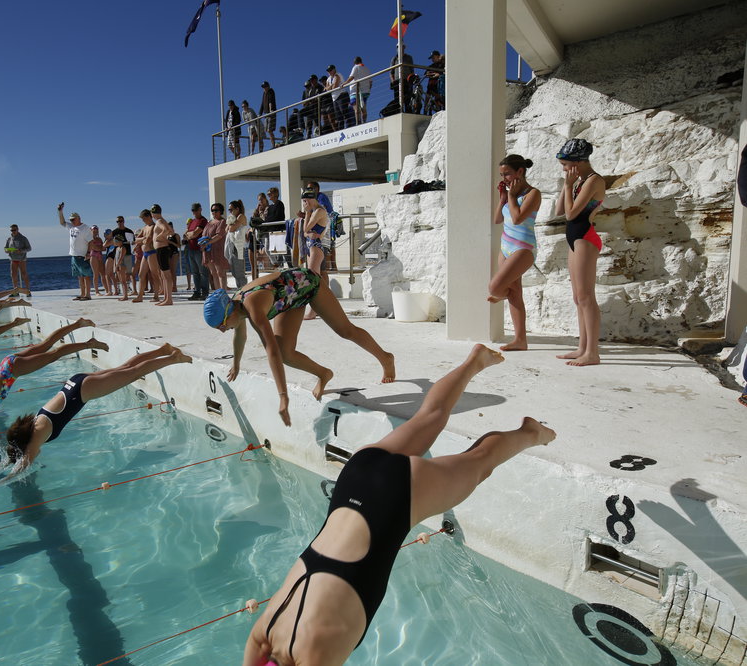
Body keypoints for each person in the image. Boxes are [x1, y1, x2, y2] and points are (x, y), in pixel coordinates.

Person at [242, 345, 556, 666]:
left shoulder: (313, 656)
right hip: (357, 477)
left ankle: (530, 433)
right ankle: (474, 361)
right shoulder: (265, 631)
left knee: (480, 463)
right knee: (430, 417)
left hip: (396, 496)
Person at [203, 267, 395, 425]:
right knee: (286, 353)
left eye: (221, 325)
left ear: (230, 313)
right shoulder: (236, 307)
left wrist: (283, 396)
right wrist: (236, 364)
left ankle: (385, 358)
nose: (222, 330)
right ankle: (323, 373)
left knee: (345, 330)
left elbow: (271, 352)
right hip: (289, 299)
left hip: (306, 283)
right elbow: (240, 335)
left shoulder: (252, 306)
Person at [3, 343, 193, 467]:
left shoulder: (38, 434)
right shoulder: (34, 424)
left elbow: (26, 460)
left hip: (83, 391)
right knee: (124, 369)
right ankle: (163, 350)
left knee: (133, 373)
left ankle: (173, 358)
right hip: (76, 382)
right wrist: (0, 465)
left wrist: (3, 482)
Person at [0, 318, 101, 415]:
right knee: (46, 345)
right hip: (7, 364)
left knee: (54, 355)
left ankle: (89, 344)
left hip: (12, 370)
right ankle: (78, 324)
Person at [554, 138, 605, 367]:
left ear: (578, 162)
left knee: (586, 297)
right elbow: (558, 210)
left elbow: (572, 215)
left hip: (585, 237)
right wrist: (566, 185)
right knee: (578, 298)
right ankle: (582, 348)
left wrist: (568, 187)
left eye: (565, 164)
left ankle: (592, 353)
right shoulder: (578, 182)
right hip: (575, 239)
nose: (564, 169)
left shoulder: (594, 181)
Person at [487, 155, 542, 352]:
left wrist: (511, 196)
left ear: (520, 172)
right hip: (506, 247)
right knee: (515, 293)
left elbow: (518, 218)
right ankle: (520, 340)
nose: (505, 179)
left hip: (523, 248)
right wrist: (503, 197)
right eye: (502, 175)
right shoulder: (510, 194)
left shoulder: (533, 194)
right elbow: (496, 220)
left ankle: (501, 295)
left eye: (508, 174)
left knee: (495, 288)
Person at [300, 189, 329, 321]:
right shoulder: (314, 212)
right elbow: (305, 233)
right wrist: (307, 231)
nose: (305, 204)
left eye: (305, 201)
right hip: (311, 247)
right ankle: (319, 308)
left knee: (312, 280)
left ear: (311, 199)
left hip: (316, 248)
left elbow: (305, 229)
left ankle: (313, 311)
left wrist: (306, 212)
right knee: (315, 280)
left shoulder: (319, 211)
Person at [57, 203, 93, 301]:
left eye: (73, 219)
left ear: (79, 218)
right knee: (79, 276)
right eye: (71, 220)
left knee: (86, 275)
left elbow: (91, 241)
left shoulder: (85, 228)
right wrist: (60, 212)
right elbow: (62, 222)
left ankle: (88, 294)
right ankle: (82, 294)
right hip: (74, 255)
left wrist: (89, 253)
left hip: (82, 255)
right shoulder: (71, 227)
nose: (72, 221)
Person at [133, 209, 162, 303]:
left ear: (149, 217)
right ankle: (140, 296)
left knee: (154, 274)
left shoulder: (153, 227)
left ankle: (156, 295)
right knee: (141, 274)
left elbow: (148, 240)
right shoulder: (145, 227)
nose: (143, 220)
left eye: (144, 218)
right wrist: (142, 239)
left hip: (152, 252)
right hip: (145, 253)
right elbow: (136, 239)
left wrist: (142, 240)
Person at [150, 204, 175, 306]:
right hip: (162, 249)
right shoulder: (162, 220)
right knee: (164, 275)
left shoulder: (160, 221)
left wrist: (158, 237)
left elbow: (166, 230)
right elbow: (171, 231)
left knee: (166, 275)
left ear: (152, 213)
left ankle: (169, 299)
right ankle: (166, 298)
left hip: (162, 249)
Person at [185, 203, 211, 300]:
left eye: (196, 210)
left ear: (200, 209)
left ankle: (204, 292)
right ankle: (197, 292)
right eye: (193, 210)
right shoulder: (192, 221)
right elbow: (186, 234)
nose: (194, 212)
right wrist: (190, 234)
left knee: (203, 272)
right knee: (195, 272)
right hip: (191, 249)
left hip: (199, 250)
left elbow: (195, 234)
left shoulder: (203, 221)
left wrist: (190, 234)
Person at [202, 203, 230, 290]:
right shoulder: (209, 222)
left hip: (218, 250)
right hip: (208, 250)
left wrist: (207, 242)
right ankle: (218, 293)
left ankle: (223, 293)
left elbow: (219, 235)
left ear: (221, 211)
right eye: (212, 210)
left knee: (220, 273)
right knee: (213, 273)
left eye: (216, 210)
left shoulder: (222, 222)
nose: (214, 212)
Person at [110, 216, 136, 301]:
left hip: (126, 255)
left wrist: (117, 265)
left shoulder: (128, 231)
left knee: (126, 275)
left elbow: (133, 242)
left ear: (123, 221)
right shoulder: (115, 232)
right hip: (118, 256)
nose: (119, 222)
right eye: (118, 221)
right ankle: (124, 293)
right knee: (121, 278)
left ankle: (126, 293)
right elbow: (109, 241)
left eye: (121, 221)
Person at [225, 200, 249, 288]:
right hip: (232, 246)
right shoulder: (233, 218)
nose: (230, 212)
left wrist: (230, 223)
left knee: (239, 272)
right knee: (234, 272)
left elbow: (230, 228)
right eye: (229, 210)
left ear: (237, 209)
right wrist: (231, 221)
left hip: (238, 247)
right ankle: (240, 290)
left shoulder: (241, 216)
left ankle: (243, 291)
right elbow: (226, 229)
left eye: (231, 210)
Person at [343, 56, 372, 125]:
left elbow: (352, 77)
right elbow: (370, 82)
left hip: (355, 91)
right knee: (363, 107)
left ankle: (358, 123)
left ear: (355, 62)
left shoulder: (355, 67)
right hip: (365, 91)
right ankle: (364, 122)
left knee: (356, 109)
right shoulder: (367, 69)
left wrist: (344, 83)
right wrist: (368, 89)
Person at [4, 225, 32, 294]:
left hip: (21, 259)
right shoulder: (9, 239)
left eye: (14, 230)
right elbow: (5, 248)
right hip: (13, 259)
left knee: (24, 274)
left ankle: (28, 291)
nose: (13, 232)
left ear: (17, 229)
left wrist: (21, 251)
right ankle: (15, 292)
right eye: (11, 230)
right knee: (13, 275)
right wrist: (7, 250)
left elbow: (29, 248)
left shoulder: (23, 238)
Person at [325, 65, 346, 131]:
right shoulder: (328, 79)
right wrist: (331, 86)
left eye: (330, 70)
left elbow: (335, 86)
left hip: (341, 95)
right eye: (328, 71)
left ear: (334, 69)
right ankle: (341, 129)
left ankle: (349, 126)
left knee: (344, 112)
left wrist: (330, 86)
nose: (329, 72)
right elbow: (326, 89)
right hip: (334, 98)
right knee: (338, 115)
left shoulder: (338, 75)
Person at [87, 226, 107, 296]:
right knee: (96, 274)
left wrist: (100, 248)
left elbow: (103, 248)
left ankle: (107, 289)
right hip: (93, 256)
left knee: (103, 273)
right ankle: (97, 291)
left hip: (100, 256)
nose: (95, 232)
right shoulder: (89, 239)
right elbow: (95, 248)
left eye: (96, 231)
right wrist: (100, 248)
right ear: (91, 231)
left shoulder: (99, 239)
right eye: (94, 231)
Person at [102, 228, 119, 296]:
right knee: (111, 274)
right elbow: (103, 248)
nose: (105, 236)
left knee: (107, 274)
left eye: (106, 234)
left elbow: (104, 245)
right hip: (109, 256)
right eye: (104, 234)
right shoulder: (109, 240)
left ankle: (110, 291)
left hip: (111, 257)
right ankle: (116, 290)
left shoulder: (112, 240)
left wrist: (107, 239)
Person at [260, 81, 277, 149]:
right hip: (266, 114)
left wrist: (271, 110)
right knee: (267, 130)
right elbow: (262, 104)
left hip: (270, 113)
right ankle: (272, 144)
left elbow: (270, 101)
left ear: (268, 86)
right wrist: (260, 113)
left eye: (265, 87)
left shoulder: (271, 91)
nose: (264, 88)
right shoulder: (264, 93)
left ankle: (273, 145)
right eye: (263, 87)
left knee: (270, 130)